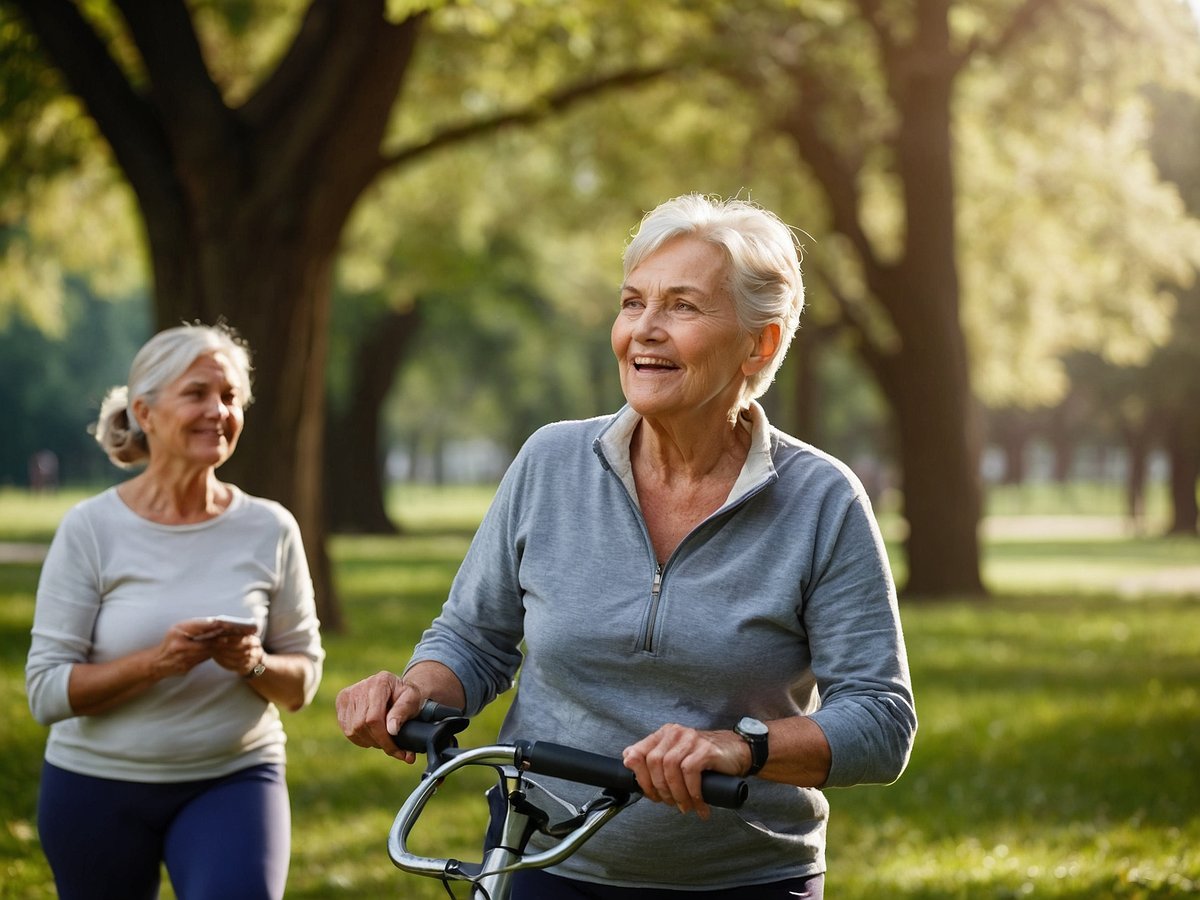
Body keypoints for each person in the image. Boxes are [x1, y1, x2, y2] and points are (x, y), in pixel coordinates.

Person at [336, 194, 916, 898]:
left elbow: (881, 721)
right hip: (544, 862)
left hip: (747, 879)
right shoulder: (550, 462)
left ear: (758, 343)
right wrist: (413, 691)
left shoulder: (823, 500)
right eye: (633, 302)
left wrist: (739, 746)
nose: (645, 330)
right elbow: (473, 638)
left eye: (682, 307)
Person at [26, 322, 325, 900]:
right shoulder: (90, 528)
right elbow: (44, 692)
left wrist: (253, 662)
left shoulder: (270, 527)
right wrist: (156, 664)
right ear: (146, 410)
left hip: (234, 778)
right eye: (197, 393)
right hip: (95, 784)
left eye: (231, 396)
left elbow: (302, 684)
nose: (219, 410)